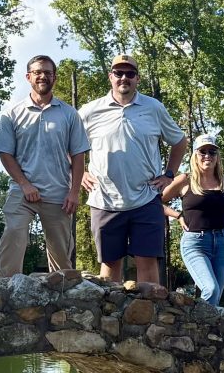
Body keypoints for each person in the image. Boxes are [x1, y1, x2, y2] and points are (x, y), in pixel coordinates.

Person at [79, 54, 188, 284]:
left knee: (148, 266)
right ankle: (111, 319)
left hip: (146, 199)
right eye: (118, 73)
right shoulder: (90, 111)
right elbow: (68, 145)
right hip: (104, 200)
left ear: (137, 78)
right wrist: (79, 173)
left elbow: (179, 141)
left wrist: (169, 175)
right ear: (110, 77)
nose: (123, 78)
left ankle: (150, 320)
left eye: (129, 74)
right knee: (109, 268)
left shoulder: (153, 108)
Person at [0, 55, 90, 276]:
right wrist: (25, 185)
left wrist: (74, 192)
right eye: (38, 72)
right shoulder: (12, 114)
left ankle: (64, 299)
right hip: (22, 191)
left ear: (54, 78)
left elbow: (78, 156)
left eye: (48, 72)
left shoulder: (69, 114)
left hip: (58, 193)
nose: (43, 76)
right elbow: (6, 154)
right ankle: (6, 289)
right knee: (14, 233)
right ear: (28, 77)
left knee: (61, 255)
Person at [161, 134, 224, 307]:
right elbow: (156, 202)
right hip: (195, 243)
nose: (207, 156)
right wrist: (177, 215)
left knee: (215, 298)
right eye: (203, 151)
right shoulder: (185, 180)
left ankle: (206, 332)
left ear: (217, 156)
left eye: (212, 152)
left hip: (223, 242)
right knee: (211, 289)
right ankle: (196, 326)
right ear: (195, 154)